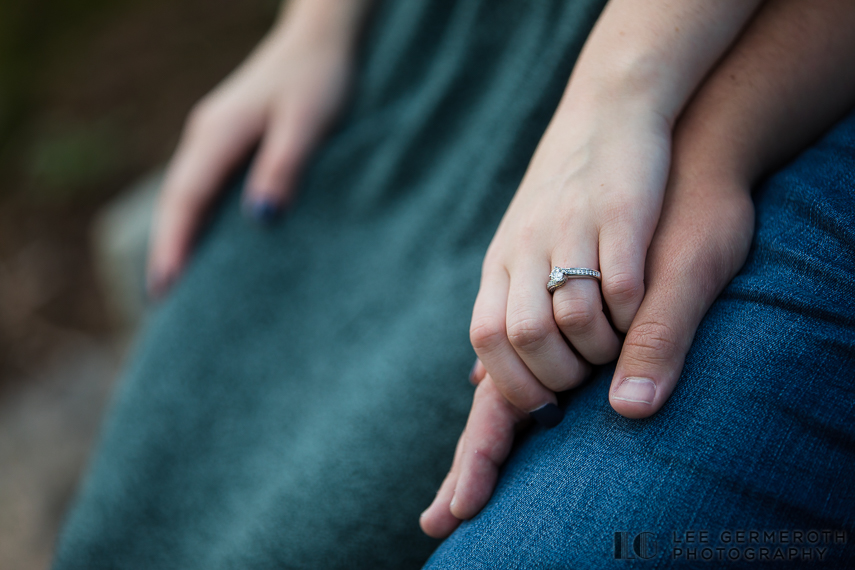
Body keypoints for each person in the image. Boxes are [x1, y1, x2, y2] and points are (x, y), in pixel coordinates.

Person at [52, 0, 855, 568]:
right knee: (133, 528)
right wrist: (314, 27)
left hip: (668, 67)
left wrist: (621, 115)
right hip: (424, 51)